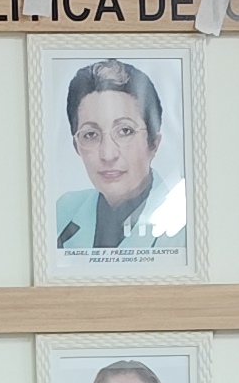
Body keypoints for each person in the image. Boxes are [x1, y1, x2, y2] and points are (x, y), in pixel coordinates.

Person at [53, 58, 184, 250]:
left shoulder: (185, 225)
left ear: (153, 143)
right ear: (76, 146)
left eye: (125, 131)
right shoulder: (63, 211)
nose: (108, 154)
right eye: (91, 134)